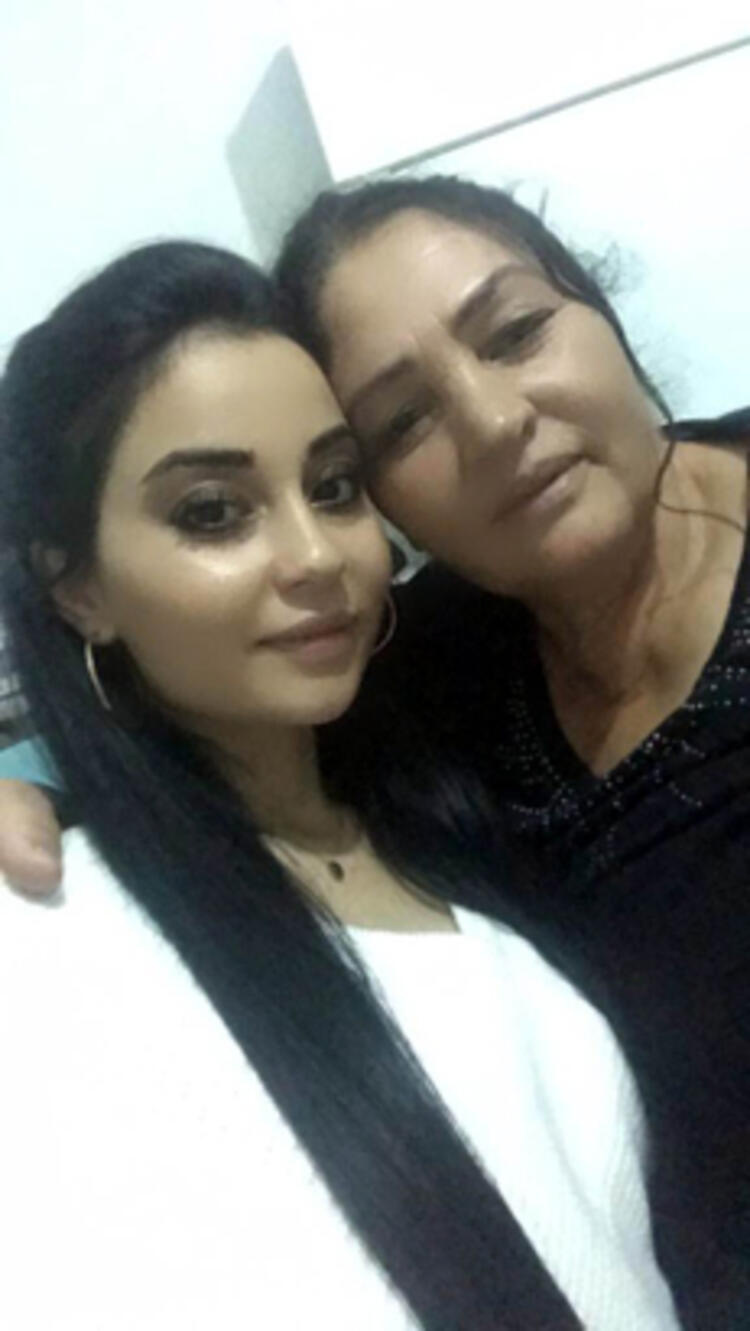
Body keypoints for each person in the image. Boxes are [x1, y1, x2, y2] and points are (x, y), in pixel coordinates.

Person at [0, 179, 748, 1324]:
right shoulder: (435, 679)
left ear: (596, 307)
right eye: (401, 424)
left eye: (516, 331)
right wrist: (31, 795)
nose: (494, 421)